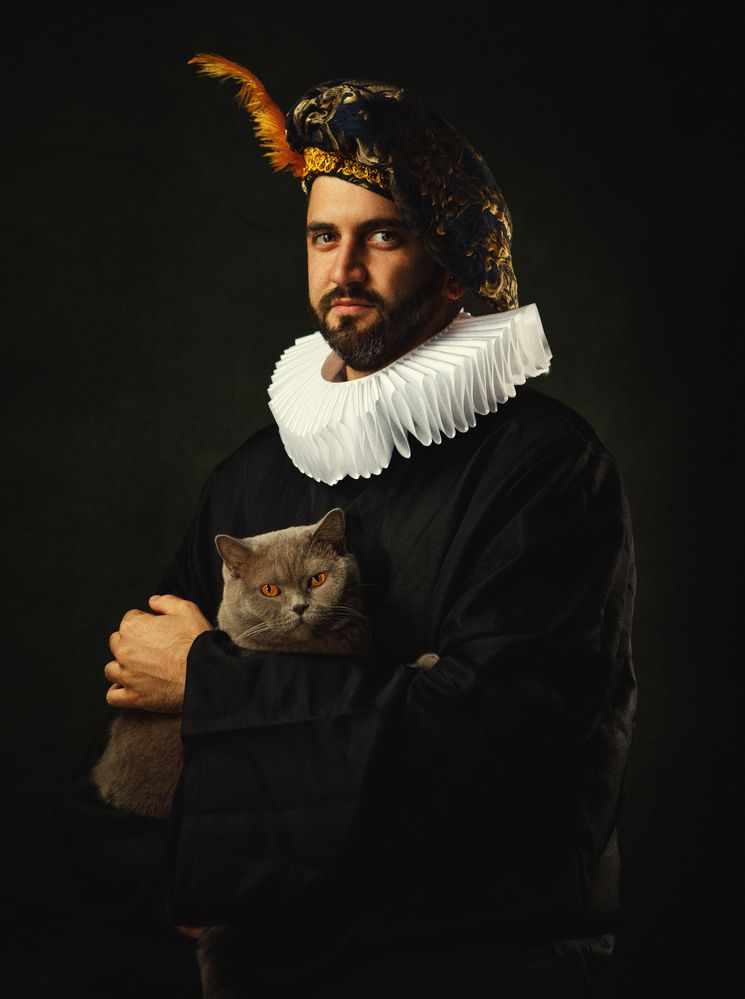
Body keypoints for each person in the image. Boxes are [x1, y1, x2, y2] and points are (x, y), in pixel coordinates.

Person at [75, 56, 636, 998]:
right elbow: (143, 722)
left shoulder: (545, 468)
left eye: (383, 235)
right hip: (273, 965)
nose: (342, 268)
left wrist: (211, 680)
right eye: (322, 236)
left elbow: (493, 743)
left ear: (452, 264)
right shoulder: (251, 473)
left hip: (478, 964)